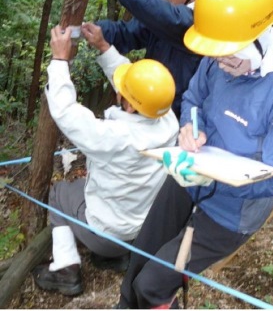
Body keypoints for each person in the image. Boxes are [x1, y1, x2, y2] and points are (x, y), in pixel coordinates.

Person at [114, 0, 273, 309]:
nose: (219, 63)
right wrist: (191, 126)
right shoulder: (218, 58)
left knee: (153, 283)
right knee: (139, 260)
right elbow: (194, 98)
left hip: (230, 213)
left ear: (256, 43)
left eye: (228, 56)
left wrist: (214, 177)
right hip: (186, 177)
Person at [32, 23, 179, 296]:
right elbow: (137, 88)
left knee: (59, 193)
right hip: (140, 231)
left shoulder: (115, 136)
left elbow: (65, 111)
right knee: (87, 189)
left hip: (108, 235)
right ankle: (116, 257)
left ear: (131, 104)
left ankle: (65, 270)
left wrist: (60, 60)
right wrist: (103, 47)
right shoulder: (168, 120)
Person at [79, 0, 213, 118]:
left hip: (177, 121)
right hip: (149, 109)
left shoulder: (199, 24)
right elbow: (126, 33)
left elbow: (168, 17)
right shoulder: (163, 21)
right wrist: (94, 29)